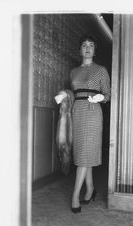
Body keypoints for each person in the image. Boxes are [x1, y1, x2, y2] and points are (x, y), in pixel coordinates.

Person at [55, 34, 111, 213]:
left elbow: (108, 94)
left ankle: (75, 196)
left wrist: (101, 97)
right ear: (80, 50)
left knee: (84, 154)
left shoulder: (101, 70)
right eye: (84, 45)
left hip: (93, 111)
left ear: (95, 51)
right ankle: (90, 189)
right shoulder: (73, 72)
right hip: (76, 112)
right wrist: (65, 94)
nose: (87, 48)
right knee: (82, 154)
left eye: (91, 45)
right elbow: (73, 93)